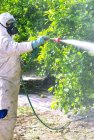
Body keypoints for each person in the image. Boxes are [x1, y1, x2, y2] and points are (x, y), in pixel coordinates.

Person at [0, 12, 48, 140]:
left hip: (10, 86)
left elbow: (12, 55)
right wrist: (34, 44)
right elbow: (15, 48)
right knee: (5, 118)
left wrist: (22, 62)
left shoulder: (7, 39)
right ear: (3, 26)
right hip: (3, 86)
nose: (12, 26)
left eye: (12, 24)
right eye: (9, 24)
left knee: (10, 119)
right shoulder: (2, 39)